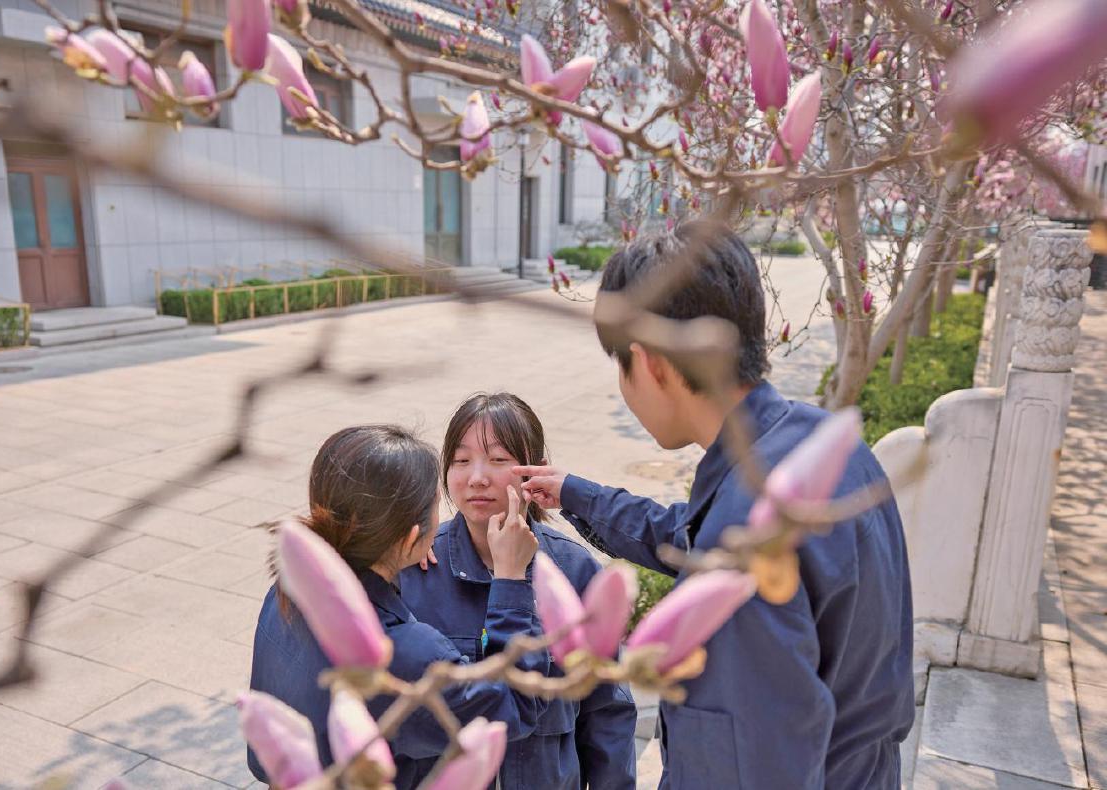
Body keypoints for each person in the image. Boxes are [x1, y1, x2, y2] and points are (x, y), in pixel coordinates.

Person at [515, 221, 915, 788]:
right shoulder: (821, 445)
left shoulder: (739, 544)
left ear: (649, 363)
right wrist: (577, 493)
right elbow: (689, 532)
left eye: (620, 367)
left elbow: (739, 767)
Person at [248, 424, 549, 788]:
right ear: (411, 536)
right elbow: (515, 706)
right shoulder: (407, 652)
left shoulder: (288, 589)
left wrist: (397, 563)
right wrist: (511, 578)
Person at [400, 392, 638, 789]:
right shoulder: (418, 569)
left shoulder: (573, 570)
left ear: (536, 470)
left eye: (498, 460)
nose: (477, 477)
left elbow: (607, 710)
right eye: (461, 460)